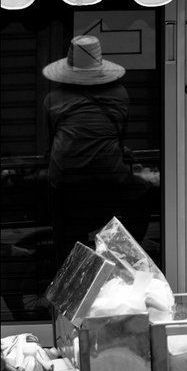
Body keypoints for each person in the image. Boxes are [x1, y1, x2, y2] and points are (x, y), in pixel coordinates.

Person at [42, 35, 156, 263]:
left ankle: (72, 268)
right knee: (143, 193)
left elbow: (51, 140)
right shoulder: (120, 95)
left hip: (66, 182)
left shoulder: (53, 99)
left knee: (65, 230)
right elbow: (118, 134)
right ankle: (119, 255)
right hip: (110, 180)